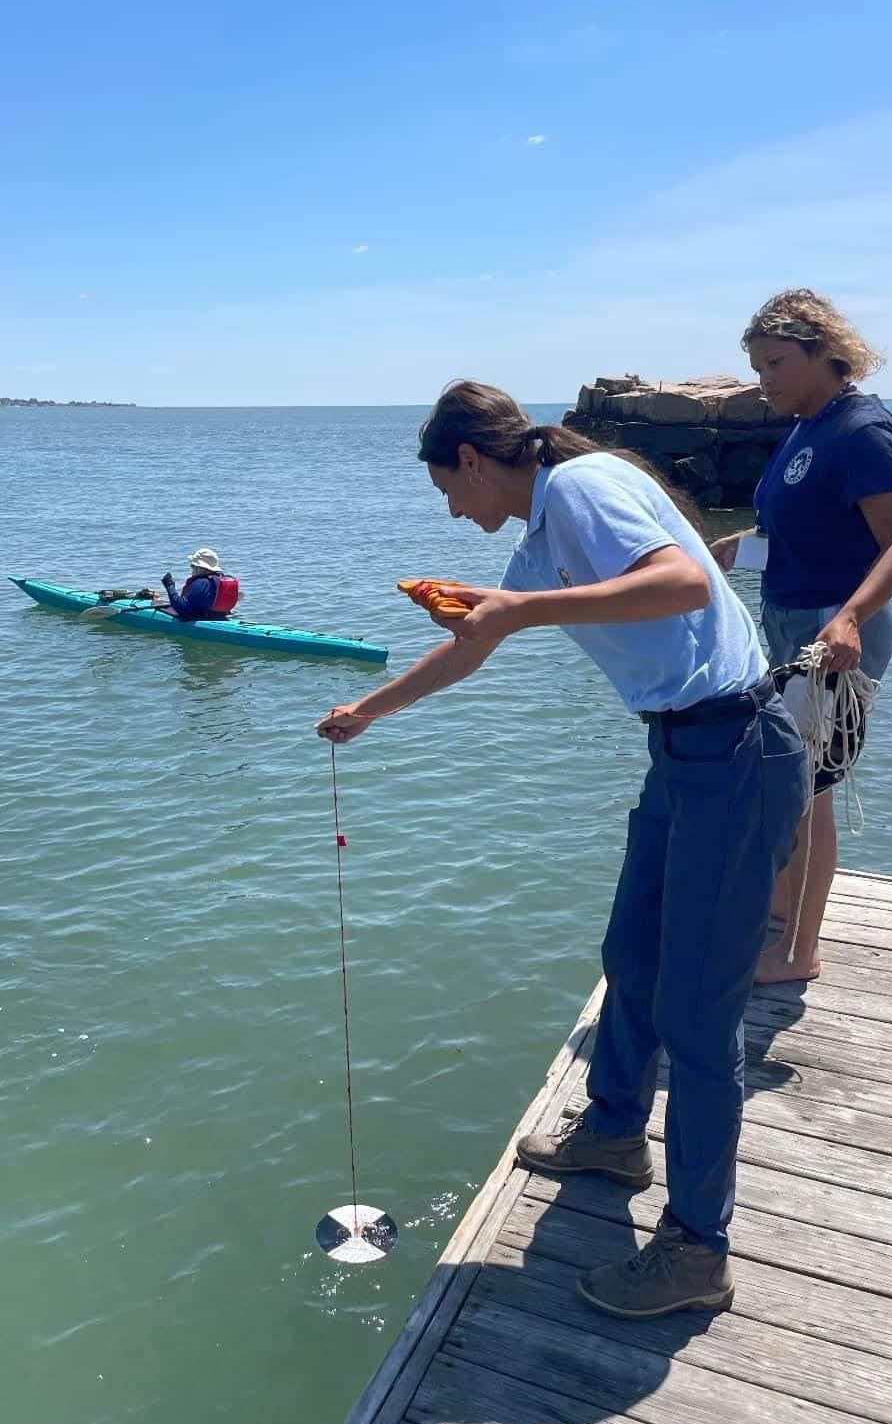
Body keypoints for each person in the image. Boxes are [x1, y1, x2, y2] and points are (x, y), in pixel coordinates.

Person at [317, 381, 808, 1320]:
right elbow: (475, 645)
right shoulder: (543, 537)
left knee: (700, 1017)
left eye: (450, 492)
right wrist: (368, 714)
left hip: (735, 752)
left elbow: (686, 579)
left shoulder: (579, 486)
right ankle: (616, 1131)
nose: (457, 514)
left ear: (473, 458)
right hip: (684, 751)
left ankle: (698, 1248)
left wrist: (515, 607)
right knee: (632, 956)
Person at [711, 291, 892, 984]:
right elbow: (800, 528)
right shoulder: (806, 426)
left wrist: (851, 616)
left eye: (775, 363)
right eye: (756, 366)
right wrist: (731, 549)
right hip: (789, 625)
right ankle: (780, 911)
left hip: (837, 635)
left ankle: (800, 951)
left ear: (825, 354)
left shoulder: (862, 430)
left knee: (808, 790)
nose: (763, 379)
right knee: (784, 779)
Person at [161, 548, 240, 621]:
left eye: (192, 566)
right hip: (220, 616)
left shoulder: (201, 583)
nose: (191, 569)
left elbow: (182, 609)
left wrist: (170, 586)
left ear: (199, 568)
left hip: (201, 618)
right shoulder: (219, 578)